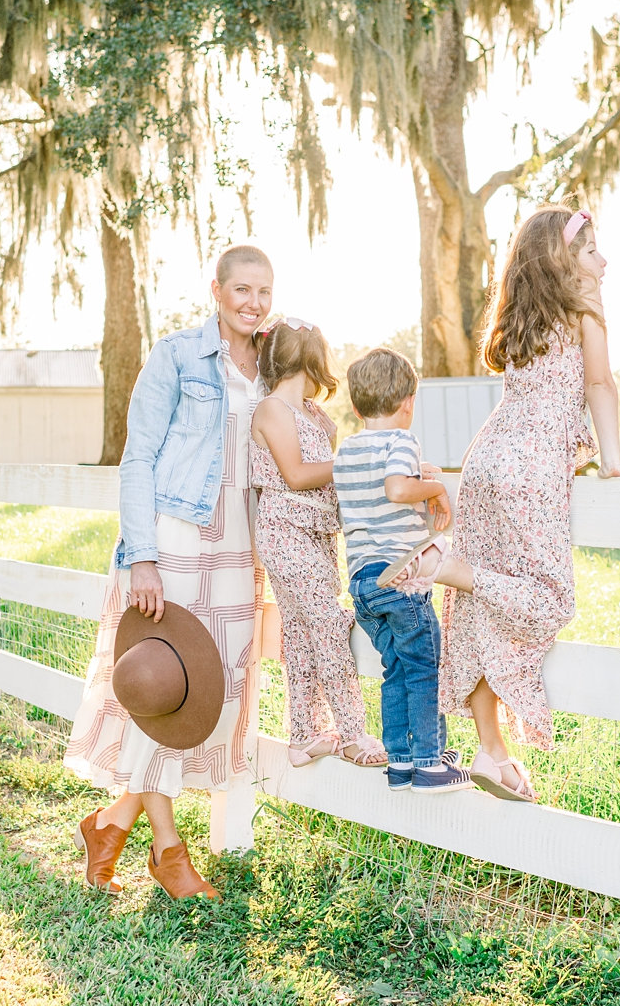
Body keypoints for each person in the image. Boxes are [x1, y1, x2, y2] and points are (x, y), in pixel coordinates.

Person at [63, 244, 273, 898]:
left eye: (264, 291)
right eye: (241, 289)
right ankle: (168, 850)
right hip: (175, 542)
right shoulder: (178, 355)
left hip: (240, 549)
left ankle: (111, 821)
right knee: (162, 684)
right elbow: (138, 460)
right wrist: (142, 557)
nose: (253, 302)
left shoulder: (273, 364)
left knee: (203, 697)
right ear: (216, 290)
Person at [427, 205, 620, 802]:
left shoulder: (520, 318)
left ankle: (492, 752)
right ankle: (455, 570)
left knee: (481, 606)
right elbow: (599, 385)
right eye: (591, 249)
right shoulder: (584, 311)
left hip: (487, 461)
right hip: (530, 469)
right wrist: (613, 458)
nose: (602, 259)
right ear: (562, 261)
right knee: (547, 598)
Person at [249, 318, 387, 769]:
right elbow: (296, 474)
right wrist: (349, 458)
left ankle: (304, 735)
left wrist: (329, 438)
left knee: (303, 630)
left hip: (315, 531)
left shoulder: (308, 415)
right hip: (287, 531)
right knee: (328, 623)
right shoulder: (272, 410)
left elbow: (317, 469)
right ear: (308, 361)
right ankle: (351, 733)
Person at [334, 348, 473, 793]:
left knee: (396, 667)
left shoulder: (348, 449)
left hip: (362, 581)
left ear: (356, 406)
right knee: (423, 665)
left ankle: (401, 761)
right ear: (409, 401)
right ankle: (430, 763)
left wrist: (422, 477)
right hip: (401, 576)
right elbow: (397, 488)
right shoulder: (401, 442)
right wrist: (438, 486)